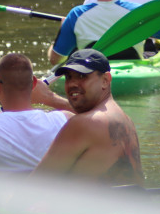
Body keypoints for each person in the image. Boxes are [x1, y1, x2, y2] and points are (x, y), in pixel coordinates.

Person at [30, 49, 144, 186]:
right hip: (129, 204)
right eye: (69, 77)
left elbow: (36, 185)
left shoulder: (81, 124)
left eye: (82, 76)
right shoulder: (125, 120)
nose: (72, 83)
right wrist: (49, 99)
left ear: (105, 80)